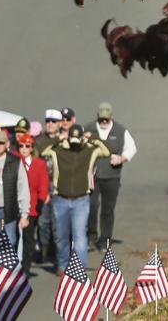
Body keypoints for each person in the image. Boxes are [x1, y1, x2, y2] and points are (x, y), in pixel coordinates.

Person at [39, 125, 109, 273]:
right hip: (60, 200)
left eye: (78, 138)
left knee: (80, 237)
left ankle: (79, 269)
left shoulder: (89, 151)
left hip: (81, 200)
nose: (75, 142)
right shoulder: (58, 150)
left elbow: (107, 151)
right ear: (69, 138)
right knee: (61, 236)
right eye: (73, 138)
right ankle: (63, 265)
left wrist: (93, 138)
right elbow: (40, 150)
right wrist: (59, 138)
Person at [86, 102, 137, 251]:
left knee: (108, 209)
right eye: (101, 118)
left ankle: (104, 240)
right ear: (97, 116)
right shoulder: (88, 128)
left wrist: (122, 158)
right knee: (91, 206)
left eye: (106, 119)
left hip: (112, 176)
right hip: (92, 176)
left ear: (111, 117)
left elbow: (132, 148)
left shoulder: (120, 130)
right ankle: (91, 235)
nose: (103, 121)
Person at [16, 133, 49, 275]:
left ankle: (26, 267)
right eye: (21, 146)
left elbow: (43, 184)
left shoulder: (39, 164)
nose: (24, 149)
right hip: (15, 206)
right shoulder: (15, 161)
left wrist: (40, 202)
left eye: (27, 146)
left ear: (32, 148)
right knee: (14, 237)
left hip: (33, 207)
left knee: (28, 239)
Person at [33, 108, 63, 264]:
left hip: (61, 187)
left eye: (54, 122)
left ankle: (58, 254)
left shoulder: (65, 140)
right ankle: (43, 251)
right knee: (43, 222)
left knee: (59, 223)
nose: (50, 124)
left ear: (60, 124)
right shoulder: (39, 141)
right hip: (44, 186)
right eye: (48, 121)